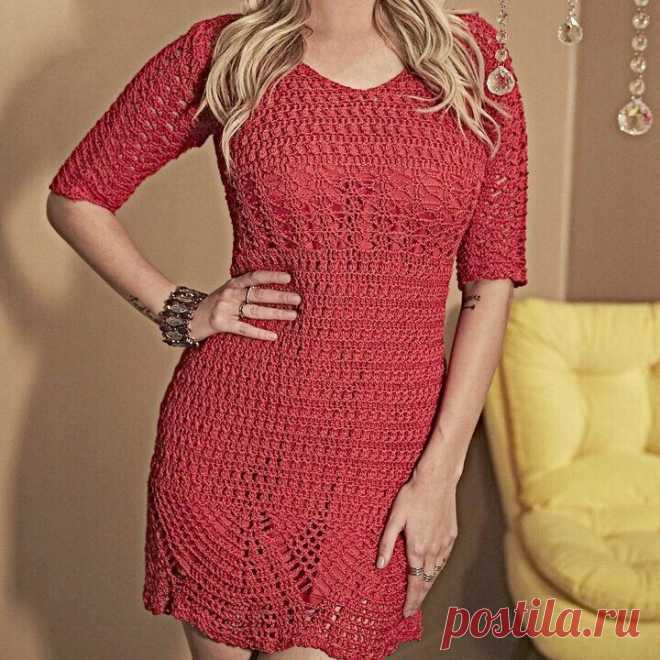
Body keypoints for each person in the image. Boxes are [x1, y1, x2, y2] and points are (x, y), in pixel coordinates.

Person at [46, 1, 529, 659]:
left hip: (379, 468)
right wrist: (179, 308)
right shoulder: (230, 50)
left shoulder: (471, 58)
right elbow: (77, 195)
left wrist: (440, 477)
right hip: (229, 448)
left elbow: (489, 284)